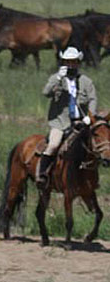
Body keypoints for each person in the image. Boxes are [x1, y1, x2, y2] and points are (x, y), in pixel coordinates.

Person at [38, 46, 98, 187]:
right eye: (67, 61)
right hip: (60, 122)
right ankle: (42, 174)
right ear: (63, 62)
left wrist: (91, 115)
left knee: (96, 145)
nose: (71, 64)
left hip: (80, 121)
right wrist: (58, 78)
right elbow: (46, 93)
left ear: (78, 62)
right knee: (53, 145)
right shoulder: (56, 78)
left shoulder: (86, 81)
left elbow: (93, 99)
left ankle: (91, 178)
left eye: (74, 61)